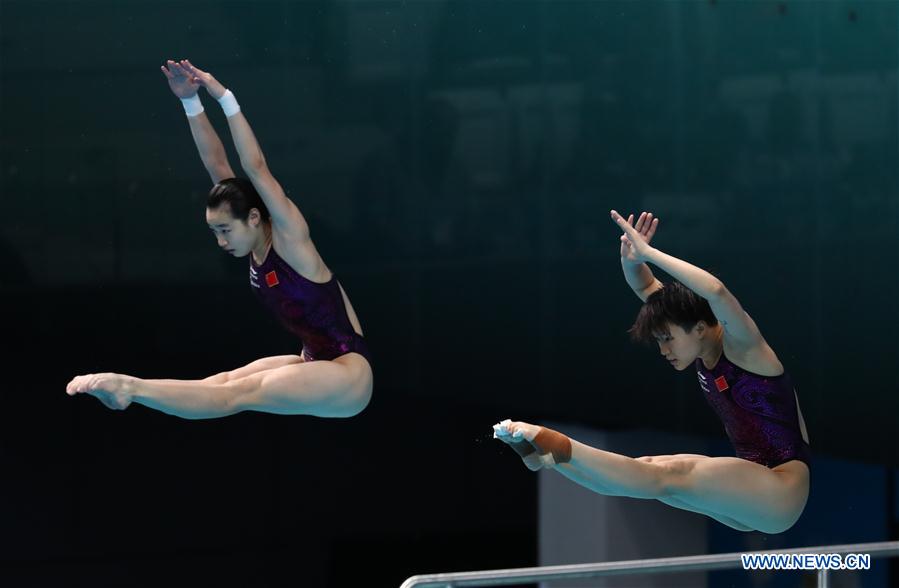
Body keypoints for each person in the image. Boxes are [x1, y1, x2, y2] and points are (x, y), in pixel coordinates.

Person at [66, 60, 372, 419]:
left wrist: (224, 97)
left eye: (225, 230)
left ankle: (130, 387)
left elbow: (256, 167)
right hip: (314, 361)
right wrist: (190, 101)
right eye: (215, 232)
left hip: (348, 373)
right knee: (220, 382)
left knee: (236, 394)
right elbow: (216, 162)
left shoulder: (291, 238)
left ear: (254, 218)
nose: (221, 242)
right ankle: (130, 393)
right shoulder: (250, 233)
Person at [494, 210, 810, 533]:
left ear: (700, 327)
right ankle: (551, 459)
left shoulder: (744, 347)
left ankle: (562, 445)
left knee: (667, 475)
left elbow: (716, 291)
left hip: (783, 489)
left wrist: (651, 253)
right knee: (648, 472)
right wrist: (631, 260)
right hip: (751, 491)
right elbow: (646, 285)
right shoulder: (691, 329)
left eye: (667, 338)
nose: (663, 350)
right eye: (659, 340)